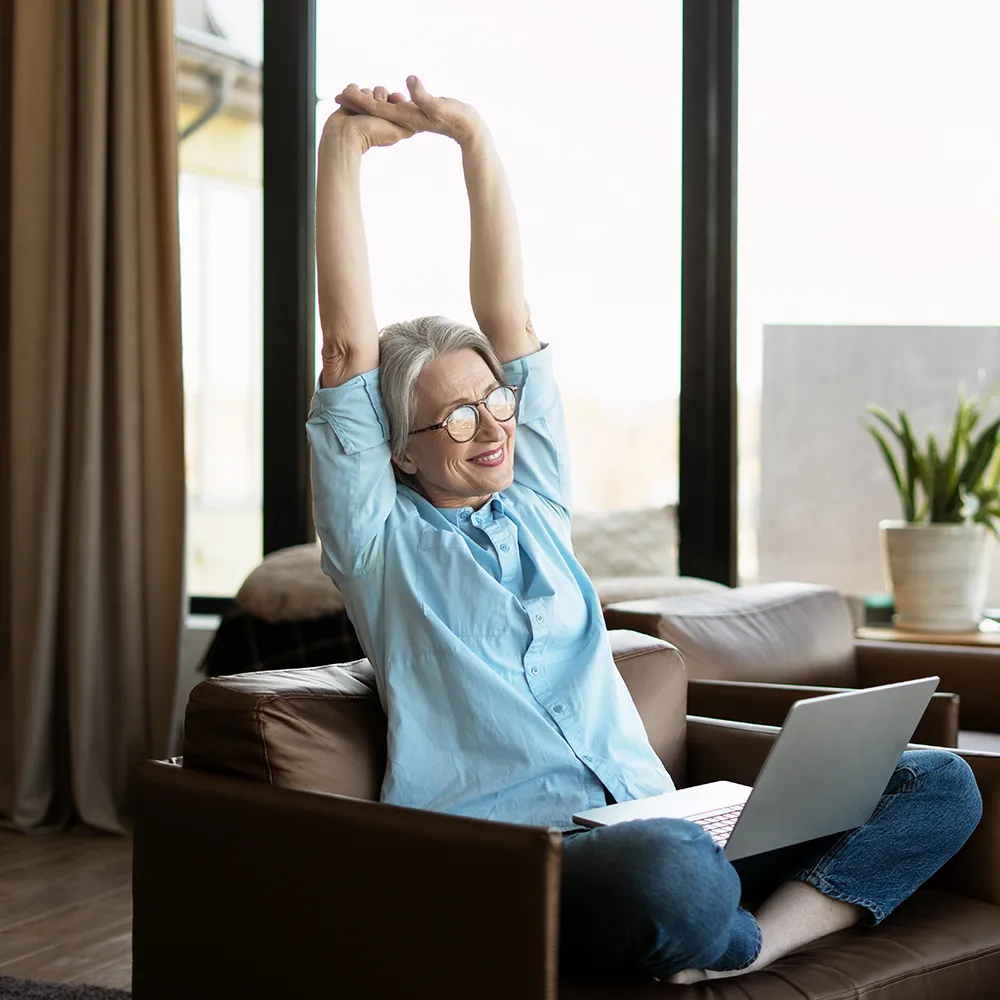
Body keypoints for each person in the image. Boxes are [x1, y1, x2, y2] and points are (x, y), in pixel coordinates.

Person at [308, 75, 983, 983]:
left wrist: (474, 141)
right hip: (542, 859)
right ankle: (710, 918)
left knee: (939, 782)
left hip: (664, 820)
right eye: (456, 419)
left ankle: (742, 948)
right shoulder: (378, 547)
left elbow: (513, 322)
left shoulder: (537, 499)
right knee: (670, 873)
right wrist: (342, 148)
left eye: (494, 401)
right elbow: (350, 349)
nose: (493, 427)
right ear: (399, 453)